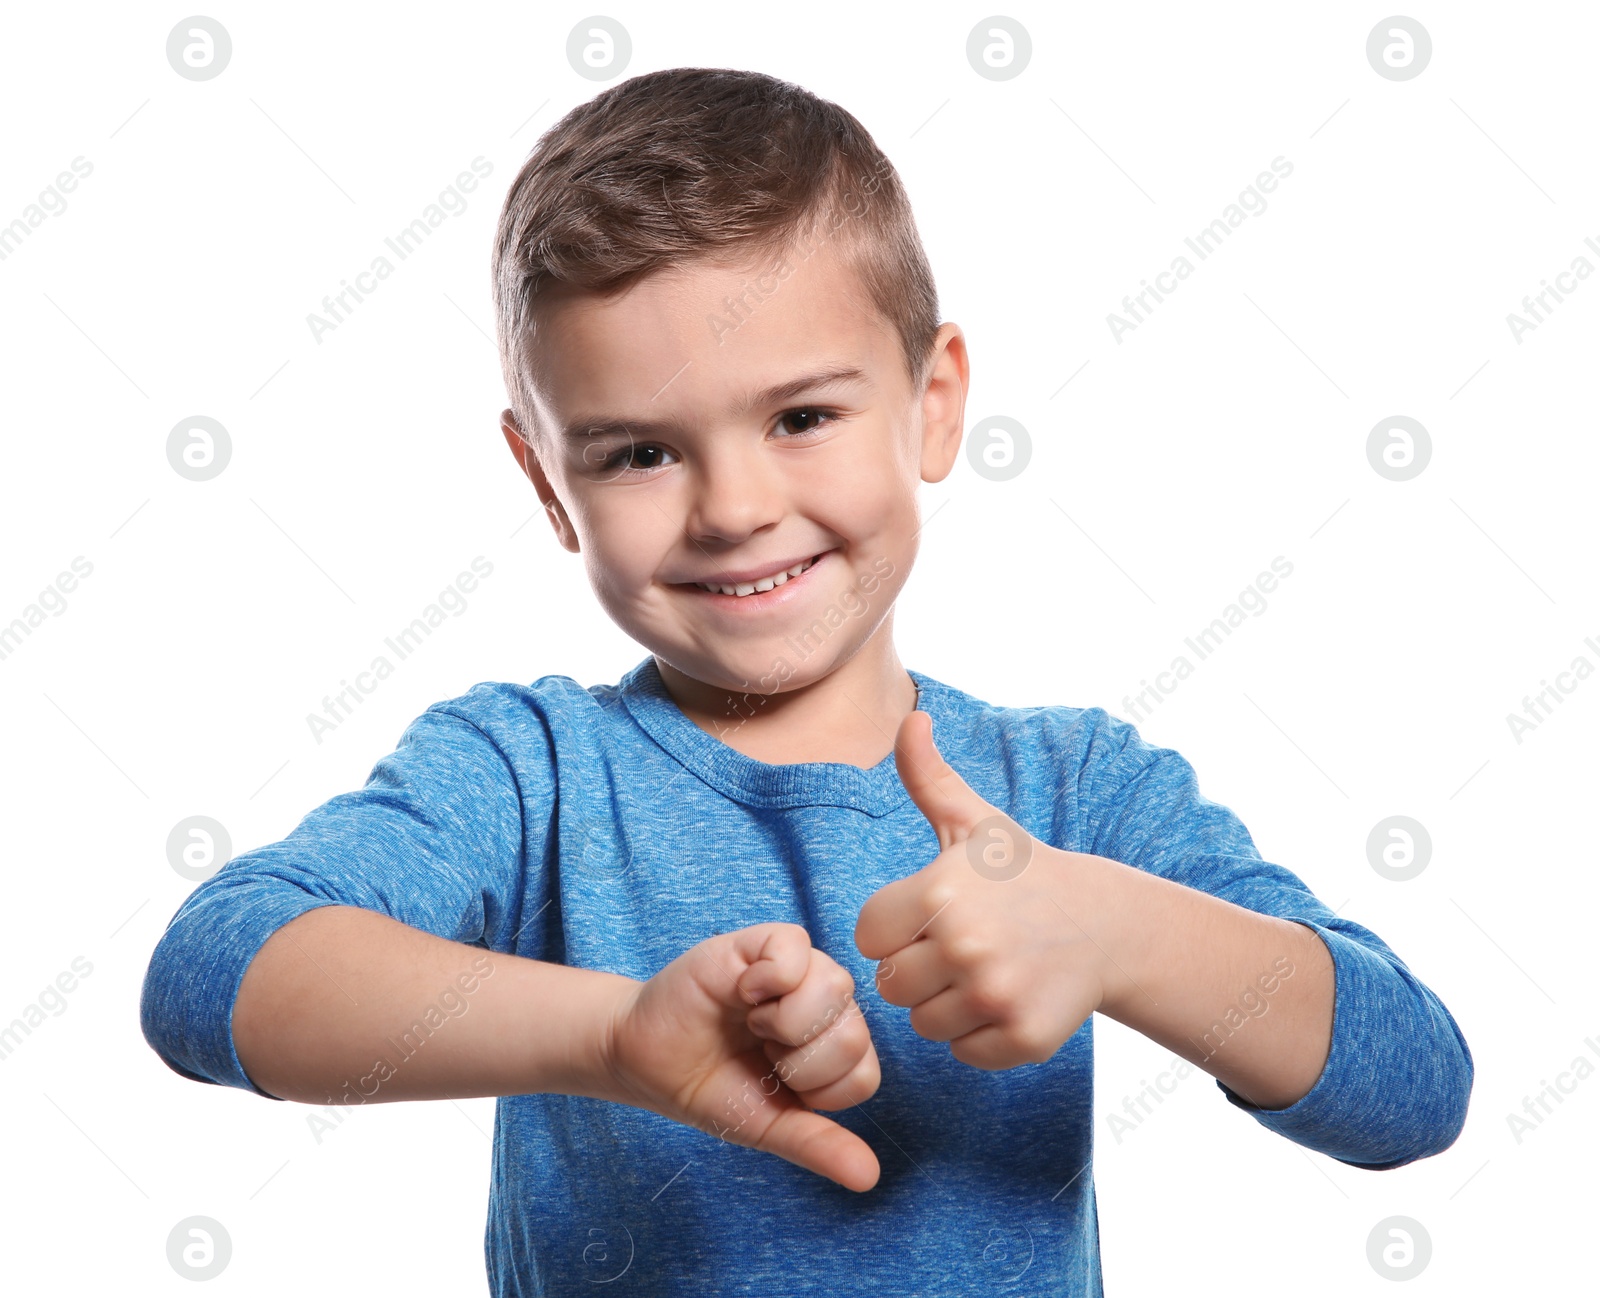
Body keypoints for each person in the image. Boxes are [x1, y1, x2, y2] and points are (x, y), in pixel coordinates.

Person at [140, 66, 1473, 1295]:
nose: (733, 507)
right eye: (638, 454)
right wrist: (615, 1037)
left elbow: (1412, 1087)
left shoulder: (1072, 791)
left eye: (801, 417)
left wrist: (1121, 934)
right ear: (548, 483)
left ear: (935, 402)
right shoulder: (529, 771)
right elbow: (213, 973)